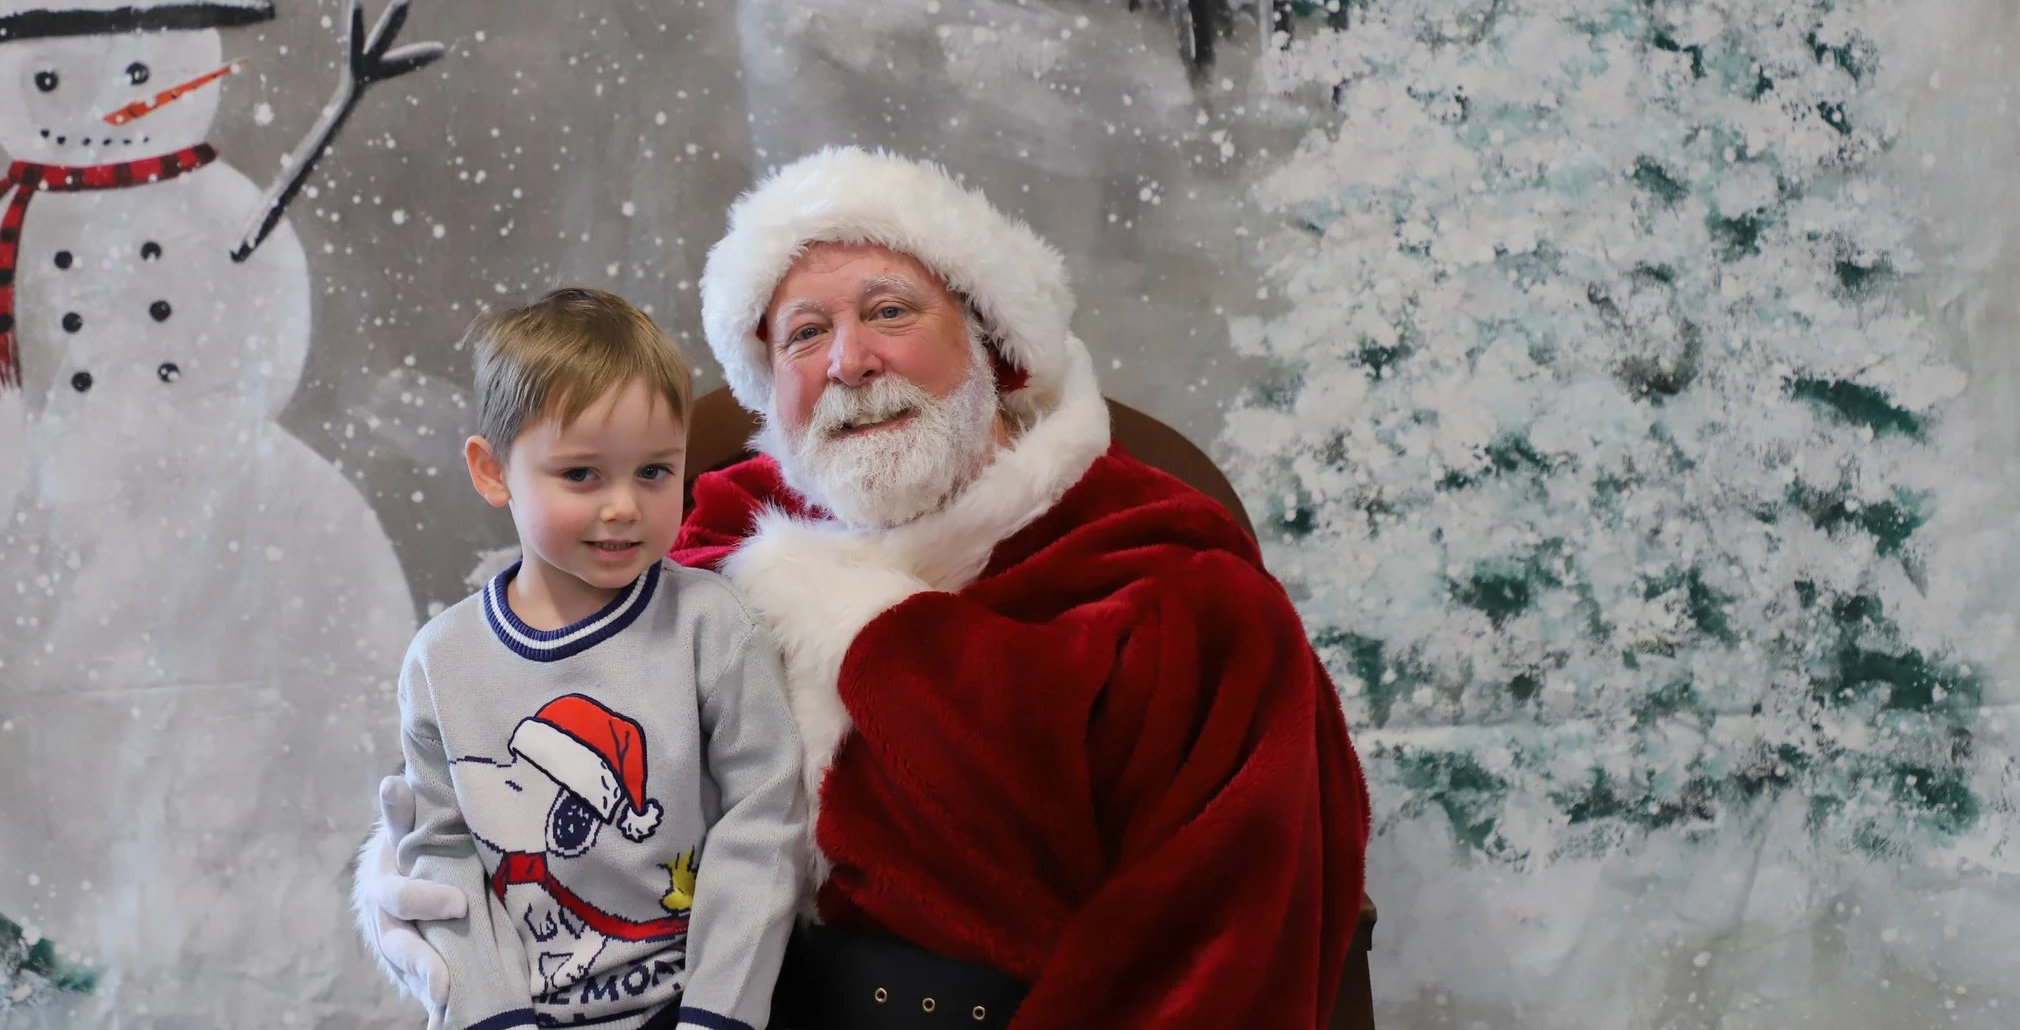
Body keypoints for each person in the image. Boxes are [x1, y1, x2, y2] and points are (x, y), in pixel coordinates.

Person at [364, 150, 1370, 1028]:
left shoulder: (1177, 596)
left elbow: (1217, 955)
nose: (848, 361)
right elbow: (515, 744)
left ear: (992, 343)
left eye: (890, 311)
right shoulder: (698, 548)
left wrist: (883, 646)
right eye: (804, 333)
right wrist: (425, 888)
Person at [385, 288, 806, 1030]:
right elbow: (442, 850)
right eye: (581, 474)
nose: (623, 506)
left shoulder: (710, 625)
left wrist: (718, 1013)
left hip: (691, 1005)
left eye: (654, 471)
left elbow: (766, 816)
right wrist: (491, 1015)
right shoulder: (442, 662)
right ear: (493, 471)